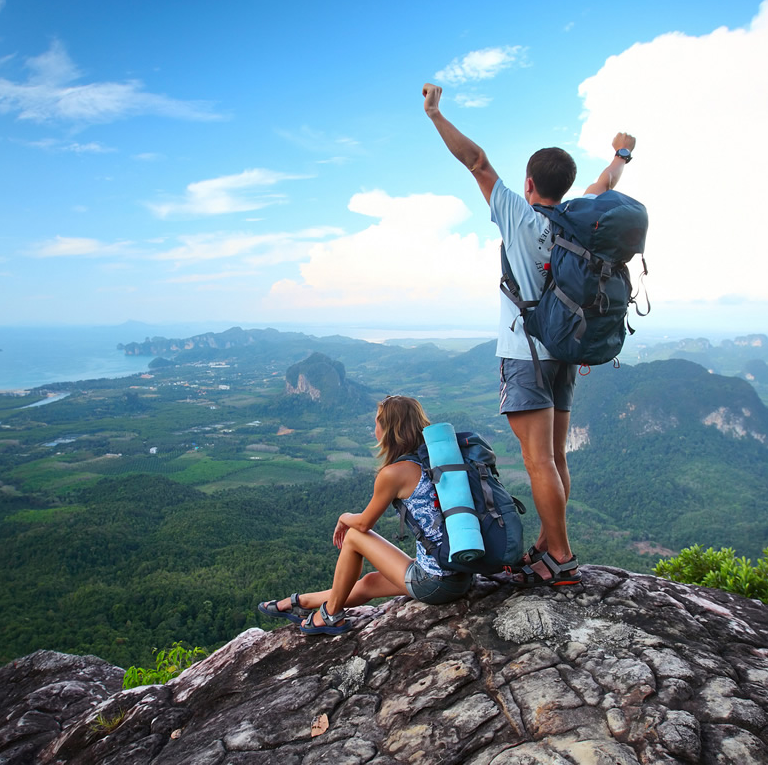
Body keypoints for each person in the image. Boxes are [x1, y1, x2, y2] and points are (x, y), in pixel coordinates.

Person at [422, 82, 636, 587]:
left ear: (528, 181)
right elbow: (605, 185)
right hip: (565, 350)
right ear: (566, 185)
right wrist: (622, 153)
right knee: (556, 457)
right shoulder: (576, 221)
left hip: (526, 355)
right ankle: (548, 542)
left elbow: (475, 160)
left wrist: (435, 114)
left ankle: (559, 557)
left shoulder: (519, 215)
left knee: (537, 460)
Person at [257, 395, 472, 634]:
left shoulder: (395, 473)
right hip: (460, 574)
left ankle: (330, 614)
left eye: (377, 424)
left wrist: (344, 516)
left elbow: (363, 523)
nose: (374, 431)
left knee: (353, 537)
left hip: (436, 583)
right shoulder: (438, 460)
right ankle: (300, 602)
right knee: (369, 582)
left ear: (390, 430)